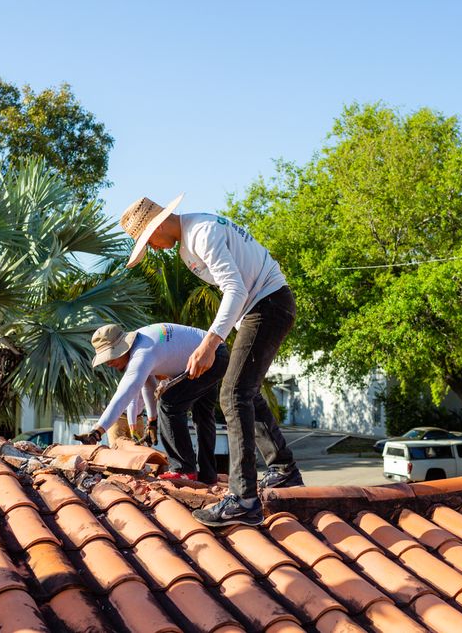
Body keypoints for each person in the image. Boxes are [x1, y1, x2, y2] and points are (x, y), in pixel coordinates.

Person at [120, 195, 302, 527]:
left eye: (150, 241)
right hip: (259, 308)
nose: (156, 249)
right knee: (245, 391)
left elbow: (235, 289)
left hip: (267, 305)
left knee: (232, 396)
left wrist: (209, 342)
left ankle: (244, 499)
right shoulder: (190, 240)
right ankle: (283, 469)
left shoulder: (202, 233)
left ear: (159, 224)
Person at [75, 323, 228, 484]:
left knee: (170, 404)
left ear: (122, 348)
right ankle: (208, 474)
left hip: (210, 354)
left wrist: (97, 431)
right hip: (217, 353)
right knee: (202, 414)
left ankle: (184, 470)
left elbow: (124, 394)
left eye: (110, 357)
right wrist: (152, 420)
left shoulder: (142, 354)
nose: (109, 363)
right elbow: (149, 386)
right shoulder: (142, 341)